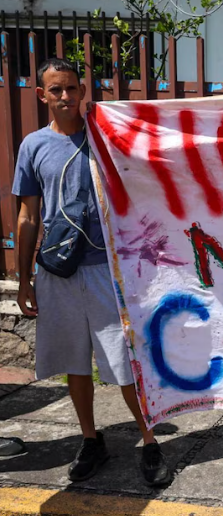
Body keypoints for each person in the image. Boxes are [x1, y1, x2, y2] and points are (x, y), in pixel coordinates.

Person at [13, 58, 171, 486]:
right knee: (75, 363)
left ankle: (150, 441)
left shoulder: (107, 137)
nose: (65, 96)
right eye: (56, 90)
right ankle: (90, 439)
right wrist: (24, 279)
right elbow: (28, 216)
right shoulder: (33, 146)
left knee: (123, 363)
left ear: (83, 91)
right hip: (57, 271)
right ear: (41, 95)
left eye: (71, 88)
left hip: (107, 269)